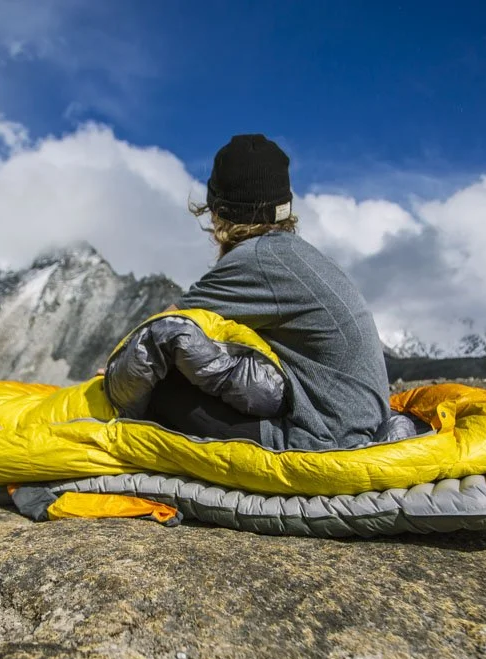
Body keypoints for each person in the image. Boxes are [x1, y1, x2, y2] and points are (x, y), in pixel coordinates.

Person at [144, 133, 391, 451]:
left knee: (162, 390)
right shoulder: (292, 254)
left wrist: (115, 373)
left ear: (218, 211)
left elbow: (166, 327)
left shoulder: (256, 259)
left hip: (326, 438)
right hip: (362, 423)